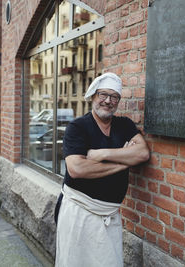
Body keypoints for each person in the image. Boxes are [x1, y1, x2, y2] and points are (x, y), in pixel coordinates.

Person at [55, 72, 150, 267]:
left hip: (110, 215)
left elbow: (142, 154)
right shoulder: (77, 127)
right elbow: (77, 169)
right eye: (103, 95)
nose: (108, 101)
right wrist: (125, 160)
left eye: (114, 97)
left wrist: (102, 154)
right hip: (78, 212)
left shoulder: (124, 125)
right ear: (93, 97)